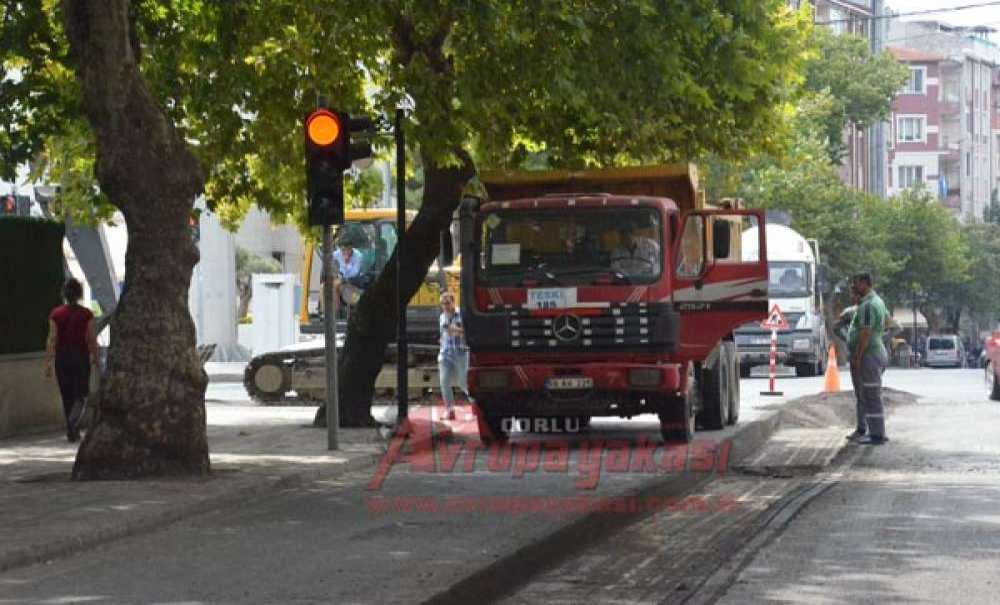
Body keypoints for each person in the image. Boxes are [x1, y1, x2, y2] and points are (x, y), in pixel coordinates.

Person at [45, 278, 99, 442]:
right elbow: (91, 339)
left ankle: (72, 430)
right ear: (80, 294)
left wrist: (48, 362)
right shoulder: (86, 314)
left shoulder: (55, 314)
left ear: (65, 294)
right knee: (81, 394)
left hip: (62, 358)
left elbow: (52, 339)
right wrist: (96, 358)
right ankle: (72, 423)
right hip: (80, 357)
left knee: (67, 394)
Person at [848, 272, 889, 445]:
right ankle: (876, 432)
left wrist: (857, 356)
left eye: (856, 283)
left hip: (869, 354)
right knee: (871, 394)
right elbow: (886, 322)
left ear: (865, 283)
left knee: (871, 395)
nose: (853, 287)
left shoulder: (867, 305)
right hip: (875, 351)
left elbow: (865, 333)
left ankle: (876, 435)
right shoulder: (878, 301)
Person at [438, 291, 469, 420]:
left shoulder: (461, 314)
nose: (445, 306)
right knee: (444, 382)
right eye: (443, 304)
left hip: (461, 353)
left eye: (447, 303)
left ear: (453, 302)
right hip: (446, 353)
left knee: (463, 383)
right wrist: (441, 342)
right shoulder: (442, 316)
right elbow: (443, 333)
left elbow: (468, 330)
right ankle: (450, 410)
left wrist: (455, 330)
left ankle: (476, 404)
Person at [842, 289, 867, 441]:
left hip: (860, 356)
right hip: (871, 355)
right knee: (869, 393)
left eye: (855, 293)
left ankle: (862, 428)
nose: (852, 296)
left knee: (861, 394)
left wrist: (849, 340)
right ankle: (870, 427)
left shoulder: (849, 312)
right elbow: (896, 328)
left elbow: (837, 328)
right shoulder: (878, 309)